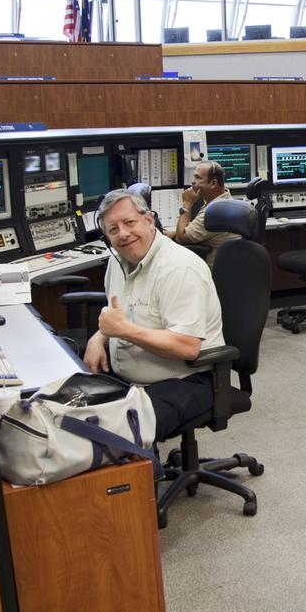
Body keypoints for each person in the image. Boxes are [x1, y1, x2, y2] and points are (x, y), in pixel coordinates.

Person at [84, 188, 225, 434]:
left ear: (149, 220)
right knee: (74, 414)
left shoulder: (178, 268)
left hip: (185, 381)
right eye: (113, 229)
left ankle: (148, 472)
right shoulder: (118, 262)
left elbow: (187, 346)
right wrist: (100, 337)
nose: (123, 234)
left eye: (129, 222)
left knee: (112, 432)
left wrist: (124, 331)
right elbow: (120, 313)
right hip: (132, 379)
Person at [170, 161, 239, 265]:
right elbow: (198, 229)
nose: (193, 182)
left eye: (198, 178)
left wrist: (187, 204)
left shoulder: (216, 211)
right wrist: (174, 233)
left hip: (213, 272)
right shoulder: (221, 200)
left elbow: (181, 238)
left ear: (213, 183)